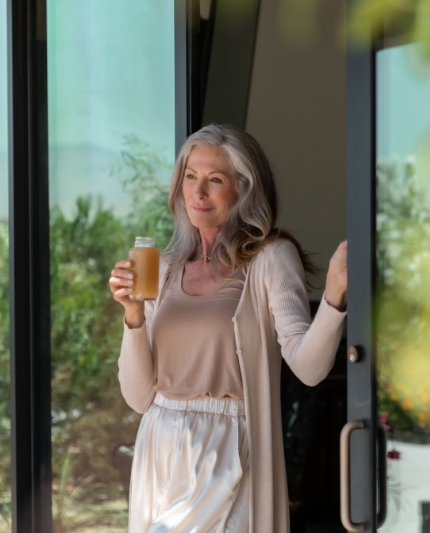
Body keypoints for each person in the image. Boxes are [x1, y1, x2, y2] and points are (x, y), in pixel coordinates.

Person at [109, 124, 347, 533]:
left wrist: (335, 295)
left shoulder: (269, 258)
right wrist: (132, 314)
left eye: (215, 180)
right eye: (190, 176)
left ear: (244, 189)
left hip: (227, 451)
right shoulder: (162, 270)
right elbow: (138, 397)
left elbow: (308, 368)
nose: (198, 193)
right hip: (160, 446)